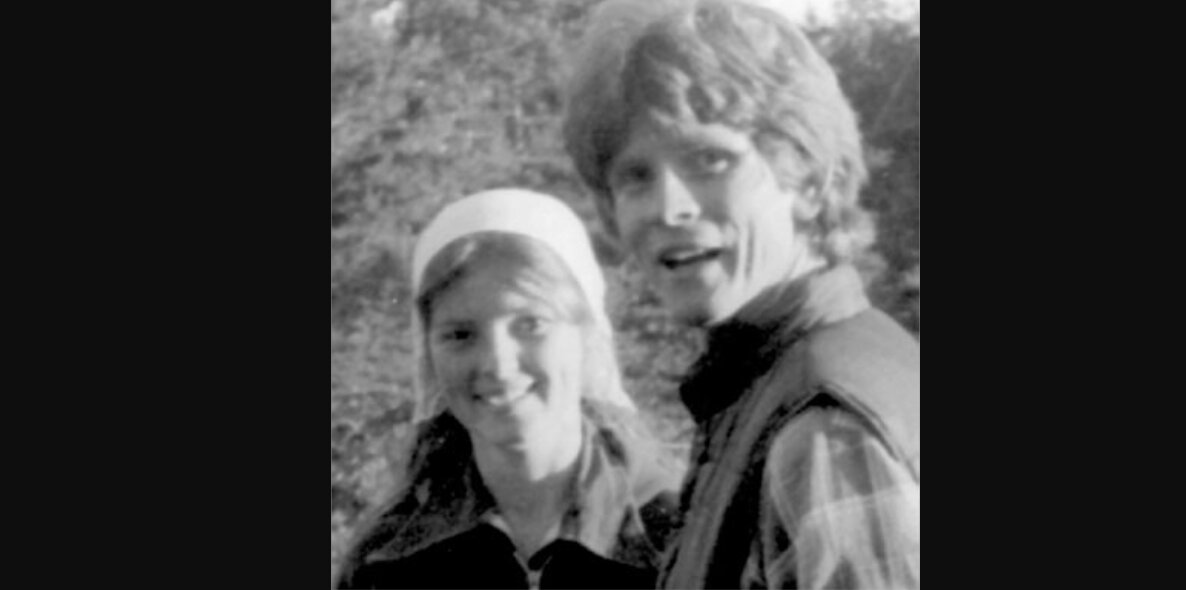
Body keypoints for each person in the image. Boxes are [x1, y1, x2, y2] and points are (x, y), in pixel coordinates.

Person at [562, 1, 920, 588]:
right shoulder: (769, 385)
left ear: (809, 179)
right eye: (636, 175)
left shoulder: (827, 431)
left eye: (710, 160)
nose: (668, 207)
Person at [335, 189, 684, 590]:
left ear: (587, 335)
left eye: (531, 325)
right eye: (461, 334)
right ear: (428, 354)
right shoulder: (388, 562)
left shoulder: (675, 537)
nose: (498, 366)